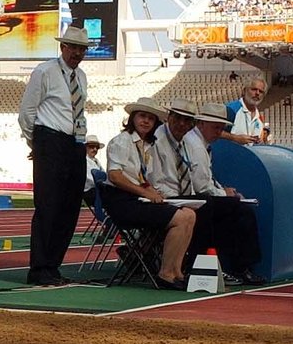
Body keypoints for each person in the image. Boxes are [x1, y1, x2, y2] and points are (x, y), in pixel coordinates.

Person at [18, 24, 91, 285]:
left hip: (75, 142)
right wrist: (36, 144)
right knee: (48, 206)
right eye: (73, 47)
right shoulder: (45, 71)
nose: (78, 53)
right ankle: (39, 268)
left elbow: (78, 111)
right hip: (51, 138)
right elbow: (27, 112)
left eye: (82, 49)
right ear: (63, 47)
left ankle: (53, 265)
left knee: (70, 207)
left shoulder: (80, 77)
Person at [100, 98, 196, 290]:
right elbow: (116, 176)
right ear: (133, 118)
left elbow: (142, 177)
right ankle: (165, 273)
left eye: (151, 119)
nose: (146, 121)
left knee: (190, 214)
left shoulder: (146, 146)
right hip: (122, 202)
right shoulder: (122, 141)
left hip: (138, 198)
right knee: (179, 218)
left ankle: (177, 271)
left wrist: (154, 192)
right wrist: (146, 193)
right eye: (142, 116)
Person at [184, 102, 266, 285]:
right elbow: (202, 186)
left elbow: (207, 179)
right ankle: (239, 267)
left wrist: (224, 191)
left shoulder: (201, 143)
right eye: (215, 128)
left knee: (235, 207)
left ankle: (236, 267)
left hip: (197, 195)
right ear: (201, 124)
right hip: (192, 197)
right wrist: (225, 194)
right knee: (240, 210)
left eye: (221, 129)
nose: (219, 132)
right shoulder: (196, 146)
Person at [222, 78, 268, 145]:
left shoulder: (260, 119)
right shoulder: (231, 109)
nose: (257, 93)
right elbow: (213, 132)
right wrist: (234, 138)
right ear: (244, 91)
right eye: (254, 89)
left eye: (261, 91)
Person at [82, 134, 105, 207]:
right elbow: (91, 179)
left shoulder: (96, 161)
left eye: (97, 147)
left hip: (99, 190)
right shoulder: (84, 161)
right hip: (90, 192)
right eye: (91, 146)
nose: (95, 149)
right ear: (85, 147)